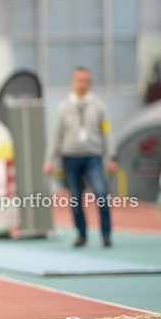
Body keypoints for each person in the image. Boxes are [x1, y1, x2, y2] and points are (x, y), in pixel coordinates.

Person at [42, 67, 118, 247]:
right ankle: (81, 234)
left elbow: (107, 131)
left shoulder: (98, 106)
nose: (82, 83)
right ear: (73, 81)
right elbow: (56, 135)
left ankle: (106, 234)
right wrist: (49, 159)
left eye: (85, 80)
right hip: (70, 157)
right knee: (75, 197)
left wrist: (112, 156)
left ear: (89, 83)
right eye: (79, 80)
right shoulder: (63, 107)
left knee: (101, 193)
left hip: (93, 156)